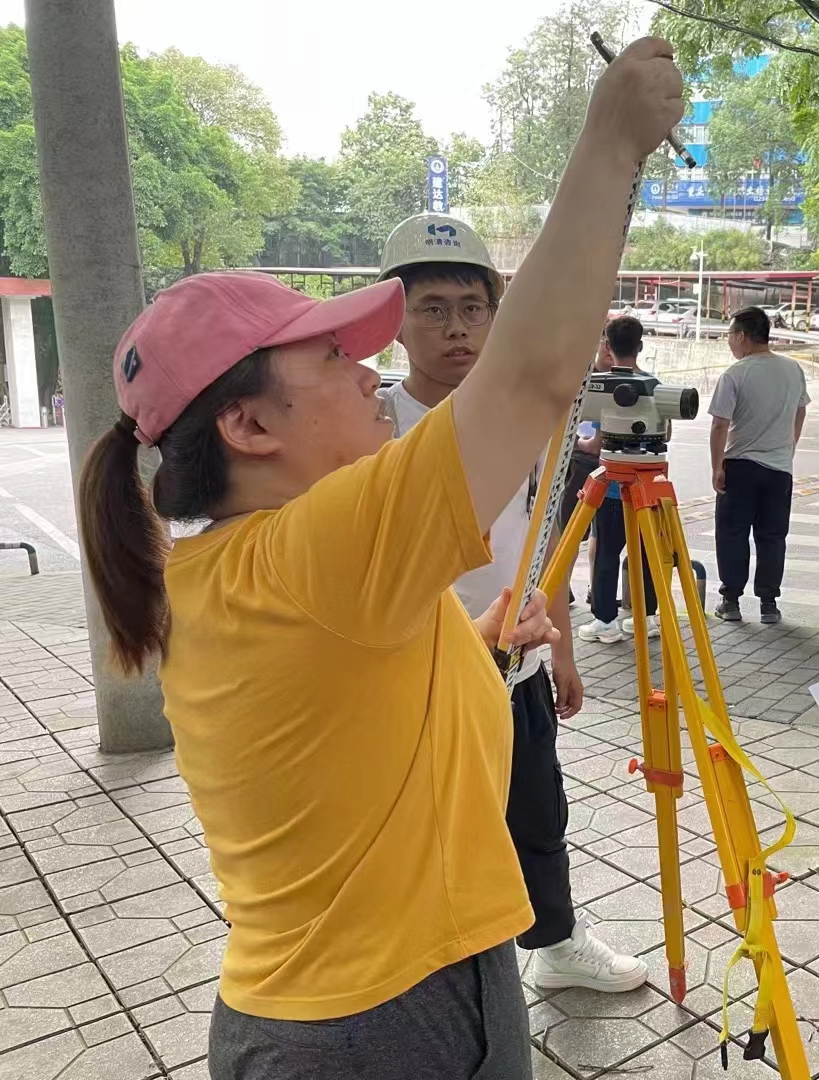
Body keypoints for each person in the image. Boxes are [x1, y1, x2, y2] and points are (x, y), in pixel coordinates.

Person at [74, 40, 681, 1080]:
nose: (365, 374)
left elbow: (351, 708)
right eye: (331, 357)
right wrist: (614, 137)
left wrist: (482, 645)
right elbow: (535, 371)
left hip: (358, 998)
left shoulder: (238, 570)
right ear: (249, 424)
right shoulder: (321, 547)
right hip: (381, 1025)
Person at [376, 211, 645, 993]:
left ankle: (557, 947)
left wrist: (558, 647)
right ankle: (432, 969)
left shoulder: (527, 427)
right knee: (429, 829)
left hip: (517, 666)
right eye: (432, 308)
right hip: (420, 676)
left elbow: (542, 549)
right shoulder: (372, 426)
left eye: (472, 308)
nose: (457, 328)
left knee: (538, 815)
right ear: (396, 320)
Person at [709, 306, 809, 625]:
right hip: (780, 469)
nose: (729, 342)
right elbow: (800, 410)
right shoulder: (793, 370)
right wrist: (789, 446)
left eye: (729, 335)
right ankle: (769, 603)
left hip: (740, 466)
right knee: (772, 536)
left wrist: (716, 467)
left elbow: (719, 426)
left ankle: (731, 601)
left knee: (733, 533)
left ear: (741, 336)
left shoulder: (735, 374)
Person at [575, 315, 659, 644]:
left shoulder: (602, 387)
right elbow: (663, 432)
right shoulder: (654, 385)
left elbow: (594, 444)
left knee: (607, 552)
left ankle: (605, 621)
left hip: (611, 484)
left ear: (608, 346)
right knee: (647, 551)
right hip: (649, 483)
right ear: (640, 346)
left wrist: (575, 446)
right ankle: (647, 617)